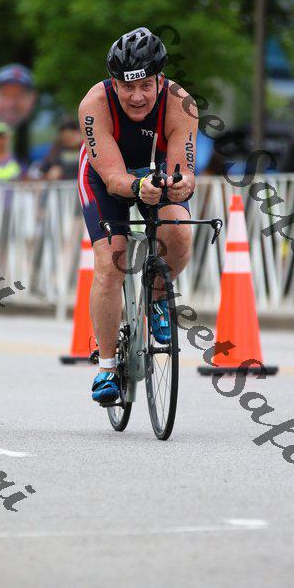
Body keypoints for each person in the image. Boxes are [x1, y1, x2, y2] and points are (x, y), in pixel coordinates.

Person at [77, 27, 197, 403]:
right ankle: (107, 365)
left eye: (146, 85)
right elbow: (114, 178)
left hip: (156, 169)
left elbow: (183, 171)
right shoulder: (94, 104)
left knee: (179, 230)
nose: (137, 96)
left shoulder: (180, 103)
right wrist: (137, 186)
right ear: (114, 84)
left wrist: (181, 185)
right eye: (127, 87)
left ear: (160, 79)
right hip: (104, 175)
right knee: (110, 263)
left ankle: (157, 296)